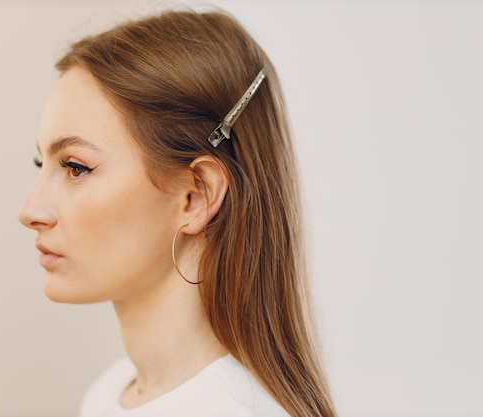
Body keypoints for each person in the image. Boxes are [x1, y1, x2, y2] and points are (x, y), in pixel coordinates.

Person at [18, 8, 336, 417]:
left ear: (196, 196)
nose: (29, 211)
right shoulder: (109, 394)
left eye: (75, 167)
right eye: (40, 165)